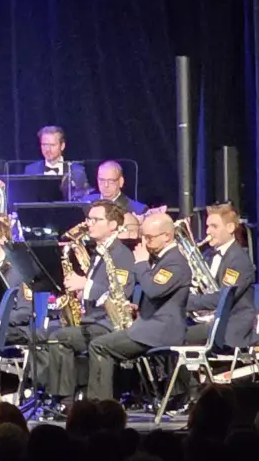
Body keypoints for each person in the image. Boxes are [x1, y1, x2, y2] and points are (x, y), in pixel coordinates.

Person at [33, 200, 133, 418]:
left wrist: (84, 284)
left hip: (109, 323)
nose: (89, 224)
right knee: (47, 334)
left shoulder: (120, 253)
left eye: (96, 219)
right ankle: (59, 396)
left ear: (113, 225)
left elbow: (120, 291)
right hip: (94, 320)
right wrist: (80, 295)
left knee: (60, 338)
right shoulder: (100, 251)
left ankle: (65, 401)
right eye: (89, 219)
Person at [86, 212, 190, 402]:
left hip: (160, 332)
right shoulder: (164, 259)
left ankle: (100, 405)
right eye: (143, 236)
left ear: (167, 236)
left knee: (99, 346)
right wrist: (137, 308)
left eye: (149, 237)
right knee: (102, 342)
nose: (145, 242)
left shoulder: (174, 262)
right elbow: (161, 297)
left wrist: (141, 262)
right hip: (150, 327)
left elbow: (153, 290)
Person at [185, 203, 257, 347]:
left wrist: (186, 302)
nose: (208, 231)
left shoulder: (238, 260)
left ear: (230, 228)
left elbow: (223, 298)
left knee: (176, 336)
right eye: (207, 226)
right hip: (214, 322)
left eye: (214, 226)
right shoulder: (208, 255)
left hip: (230, 327)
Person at [20, 125, 88, 199]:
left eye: (52, 145)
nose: (48, 149)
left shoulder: (77, 171)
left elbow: (82, 200)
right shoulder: (31, 170)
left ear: (62, 146)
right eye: (44, 145)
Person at [82, 160, 147, 214]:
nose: (106, 185)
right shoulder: (85, 202)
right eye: (102, 180)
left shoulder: (137, 210)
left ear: (121, 182)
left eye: (111, 181)